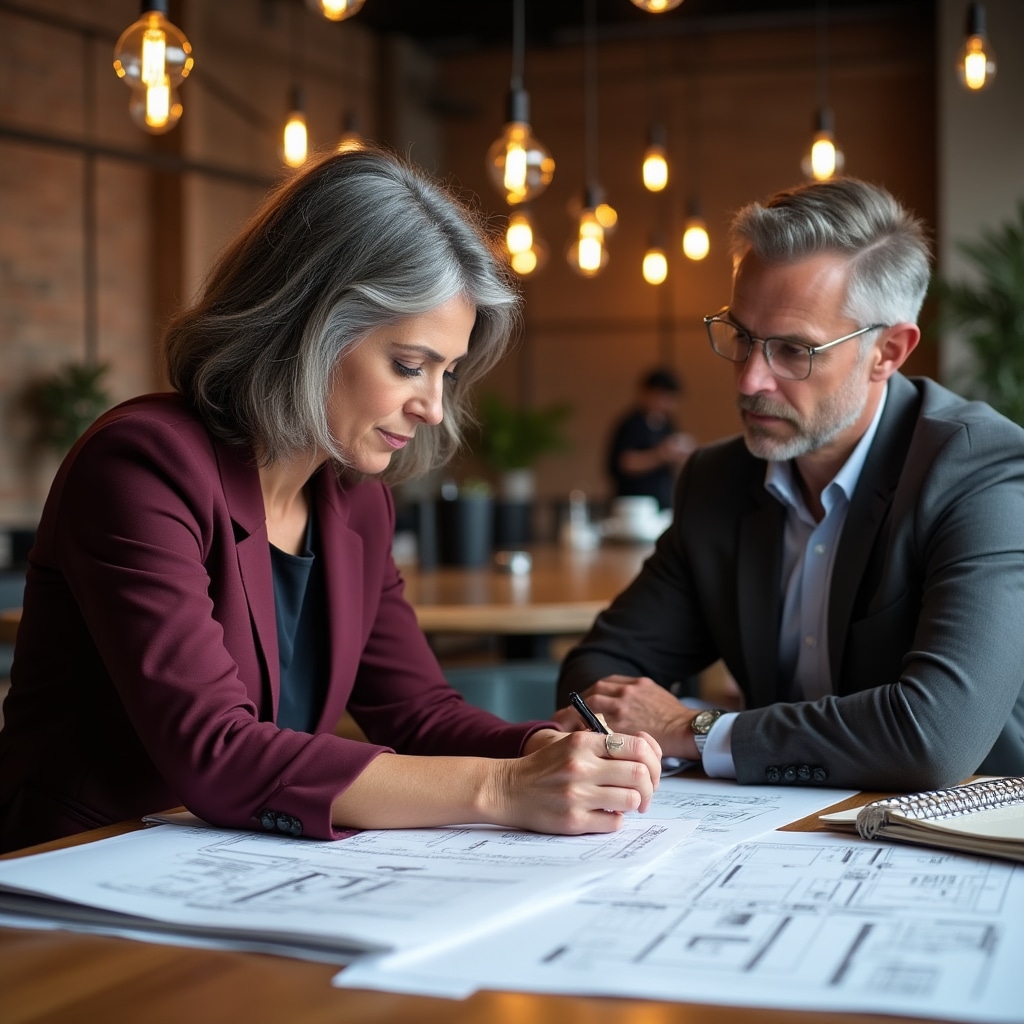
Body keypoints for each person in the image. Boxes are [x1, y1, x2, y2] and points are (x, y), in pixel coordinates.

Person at [0, 146, 661, 852]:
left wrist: (542, 745)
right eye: (409, 365)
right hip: (77, 870)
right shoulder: (142, 463)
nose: (434, 408)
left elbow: (417, 713)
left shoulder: (354, 502)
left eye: (447, 373)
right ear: (309, 329)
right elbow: (214, 751)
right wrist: (503, 789)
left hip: (234, 869)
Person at [556, 177, 1024, 792]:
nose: (750, 380)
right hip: (776, 841)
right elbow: (599, 674)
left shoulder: (978, 471)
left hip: (967, 847)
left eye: (793, 351)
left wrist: (697, 729)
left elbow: (932, 739)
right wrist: (656, 731)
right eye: (742, 337)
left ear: (887, 351)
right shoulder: (718, 480)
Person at [607, 368, 696, 511]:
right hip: (634, 505)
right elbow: (624, 462)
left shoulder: (668, 425)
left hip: (663, 501)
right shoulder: (631, 424)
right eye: (662, 396)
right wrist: (661, 454)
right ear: (647, 393)